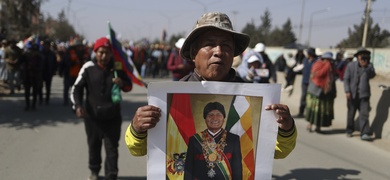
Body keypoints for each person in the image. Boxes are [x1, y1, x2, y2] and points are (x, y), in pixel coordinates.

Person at [125, 12, 296, 161]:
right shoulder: (172, 98)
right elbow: (138, 149)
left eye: (226, 45)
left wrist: (286, 129)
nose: (219, 51)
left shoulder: (252, 100)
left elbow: (274, 152)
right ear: (193, 53)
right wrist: (137, 128)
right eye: (210, 44)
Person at [71, 37, 132, 180]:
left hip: (112, 118)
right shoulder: (88, 67)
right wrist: (78, 106)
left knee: (112, 150)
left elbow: (129, 86)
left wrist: (122, 83)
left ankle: (111, 175)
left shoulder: (117, 67)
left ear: (111, 53)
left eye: (106, 53)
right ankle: (94, 171)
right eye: (100, 52)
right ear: (95, 52)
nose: (103, 56)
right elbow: (76, 89)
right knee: (94, 146)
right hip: (93, 118)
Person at [184, 102, 242, 179]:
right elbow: (188, 168)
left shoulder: (233, 139)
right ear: (205, 118)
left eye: (219, 114)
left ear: (223, 118)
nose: (215, 118)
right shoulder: (194, 140)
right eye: (210, 115)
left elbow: (237, 169)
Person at [343, 48, 376, 141]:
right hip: (352, 94)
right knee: (351, 114)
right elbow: (346, 79)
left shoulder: (369, 66)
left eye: (365, 55)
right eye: (361, 55)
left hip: (364, 95)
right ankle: (349, 130)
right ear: (357, 56)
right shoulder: (350, 66)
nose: (363, 57)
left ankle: (364, 133)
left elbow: (372, 75)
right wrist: (347, 91)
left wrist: (366, 67)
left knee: (364, 114)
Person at [305, 52, 336, 133]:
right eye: (327, 59)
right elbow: (317, 75)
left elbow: (332, 80)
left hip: (325, 93)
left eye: (330, 60)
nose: (328, 61)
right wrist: (326, 67)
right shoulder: (318, 64)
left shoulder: (331, 68)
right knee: (312, 109)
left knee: (321, 110)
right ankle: (310, 124)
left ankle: (318, 127)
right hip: (314, 91)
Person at [59, 38, 90, 105]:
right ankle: (66, 101)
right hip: (69, 73)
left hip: (80, 75)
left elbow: (89, 63)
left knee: (79, 89)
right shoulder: (69, 52)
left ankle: (78, 102)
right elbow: (64, 62)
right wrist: (61, 71)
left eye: (80, 46)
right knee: (67, 88)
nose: (79, 48)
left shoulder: (85, 53)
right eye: (78, 46)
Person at [294, 48, 318, 118]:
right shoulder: (305, 60)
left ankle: (309, 114)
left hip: (312, 82)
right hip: (304, 81)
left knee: (310, 98)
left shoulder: (316, 61)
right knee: (303, 97)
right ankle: (301, 112)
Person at [20, 43, 43, 111]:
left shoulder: (39, 58)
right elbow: (21, 62)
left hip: (35, 76)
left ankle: (33, 104)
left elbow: (41, 67)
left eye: (35, 51)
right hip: (27, 76)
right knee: (27, 91)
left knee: (35, 91)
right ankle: (27, 104)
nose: (34, 52)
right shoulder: (26, 56)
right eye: (33, 51)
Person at [39, 40, 57, 104]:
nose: (46, 47)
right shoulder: (40, 53)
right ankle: (40, 99)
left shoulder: (52, 54)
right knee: (40, 86)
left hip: (49, 72)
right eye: (45, 45)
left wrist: (54, 70)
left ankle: (47, 99)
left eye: (47, 45)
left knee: (48, 86)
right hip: (41, 72)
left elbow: (55, 63)